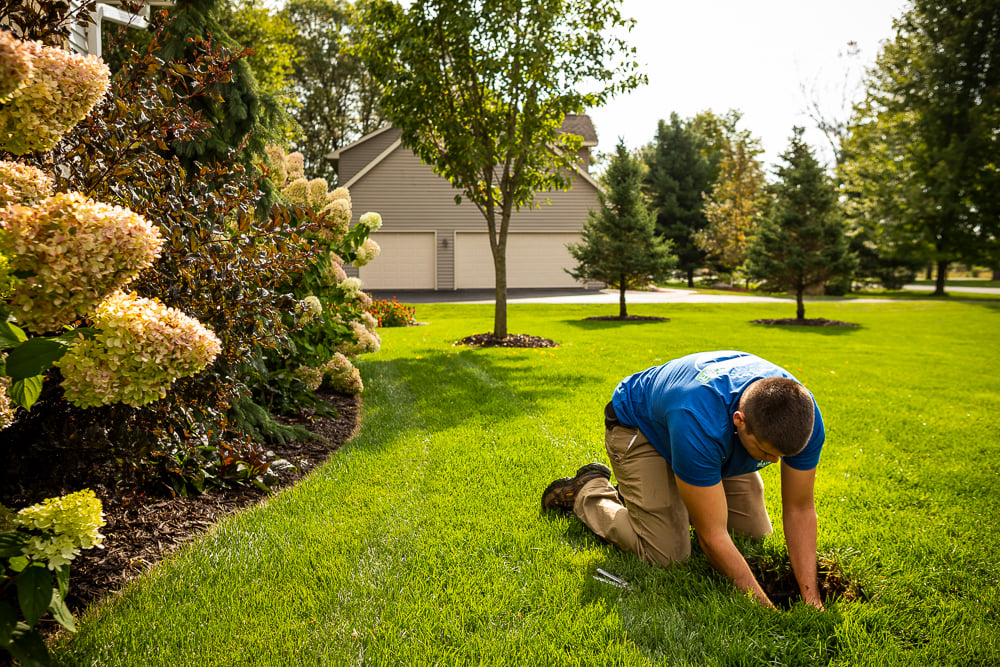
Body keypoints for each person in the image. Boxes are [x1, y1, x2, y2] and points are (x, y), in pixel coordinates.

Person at [542, 350, 825, 609]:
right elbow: (712, 536)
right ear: (740, 420)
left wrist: (812, 599)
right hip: (640, 429)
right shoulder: (700, 419)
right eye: (765, 452)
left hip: (709, 443)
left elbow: (799, 508)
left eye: (782, 456)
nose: (773, 462)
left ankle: (660, 495)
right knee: (668, 556)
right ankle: (589, 490)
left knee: (753, 537)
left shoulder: (802, 415)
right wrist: (764, 609)